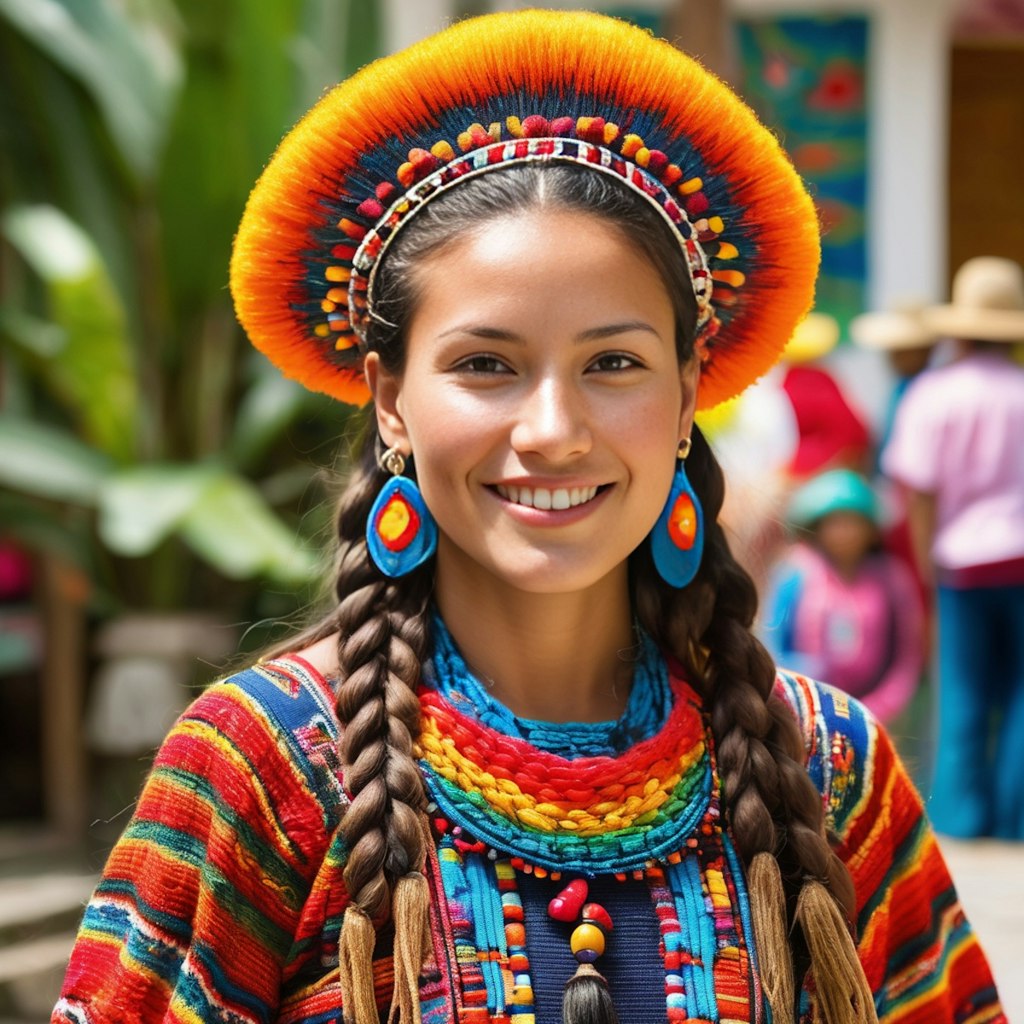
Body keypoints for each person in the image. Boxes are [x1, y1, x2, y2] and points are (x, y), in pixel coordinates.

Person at [52, 11, 1005, 1024]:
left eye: (613, 364)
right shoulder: (265, 767)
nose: (552, 431)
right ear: (388, 401)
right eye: (484, 365)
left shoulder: (830, 770)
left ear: (686, 397)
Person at [881, 256, 1024, 841]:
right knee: (1019, 696)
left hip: (958, 565)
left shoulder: (932, 395)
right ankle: (1015, 820)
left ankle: (963, 823)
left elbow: (917, 496)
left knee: (961, 691)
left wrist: (923, 570)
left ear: (958, 327)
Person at [760, 470, 924, 726]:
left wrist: (881, 707)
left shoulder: (891, 579)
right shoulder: (796, 572)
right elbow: (771, 644)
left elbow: (907, 654)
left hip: (874, 716)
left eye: (853, 522)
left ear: (871, 529)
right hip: (805, 712)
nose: (845, 532)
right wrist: (797, 699)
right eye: (835, 523)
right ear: (817, 526)